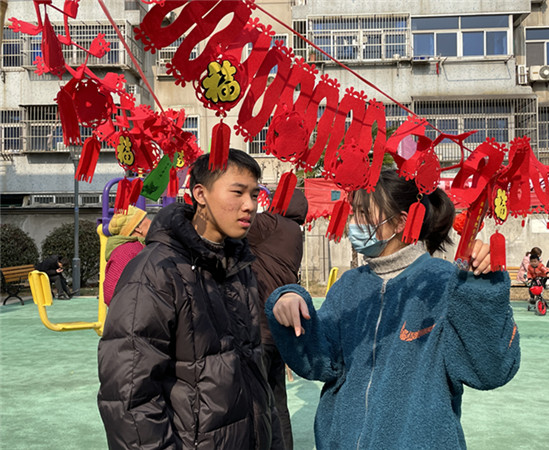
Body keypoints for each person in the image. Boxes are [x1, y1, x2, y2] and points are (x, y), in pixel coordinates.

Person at [265, 169, 520, 449]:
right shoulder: (349, 285)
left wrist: (483, 290)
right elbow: (320, 363)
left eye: (363, 214)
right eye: (353, 213)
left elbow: (489, 370)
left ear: (400, 222)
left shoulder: (445, 282)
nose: (353, 223)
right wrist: (289, 303)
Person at [98, 149, 283, 449]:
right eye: (237, 192)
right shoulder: (155, 271)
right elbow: (128, 396)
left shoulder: (239, 266)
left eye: (254, 194)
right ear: (200, 194)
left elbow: (255, 379)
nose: (249, 205)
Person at [246, 188, 308, 450]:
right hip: (277, 329)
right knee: (277, 400)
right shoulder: (296, 233)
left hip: (257, 325)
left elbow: (238, 226)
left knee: (255, 400)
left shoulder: (271, 224)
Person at [103, 205, 151, 306]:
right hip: (132, 316)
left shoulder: (137, 248)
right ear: (138, 228)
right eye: (147, 219)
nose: (151, 222)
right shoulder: (127, 251)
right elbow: (111, 292)